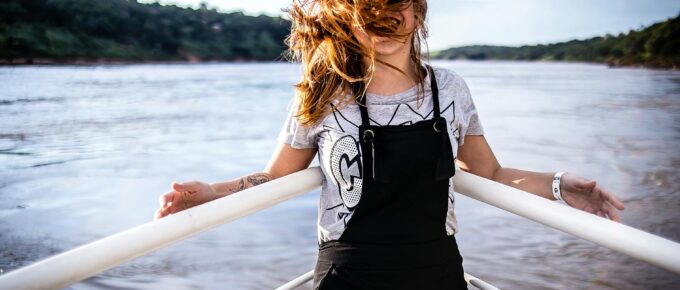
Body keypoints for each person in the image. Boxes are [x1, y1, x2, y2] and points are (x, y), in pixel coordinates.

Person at [153, 0, 626, 289]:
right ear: (352, 18)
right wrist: (213, 192)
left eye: (395, 4)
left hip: (437, 272)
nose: (384, 17)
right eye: (369, 7)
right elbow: (276, 176)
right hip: (349, 275)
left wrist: (562, 186)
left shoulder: (451, 89)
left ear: (417, 11)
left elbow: (492, 174)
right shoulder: (324, 91)